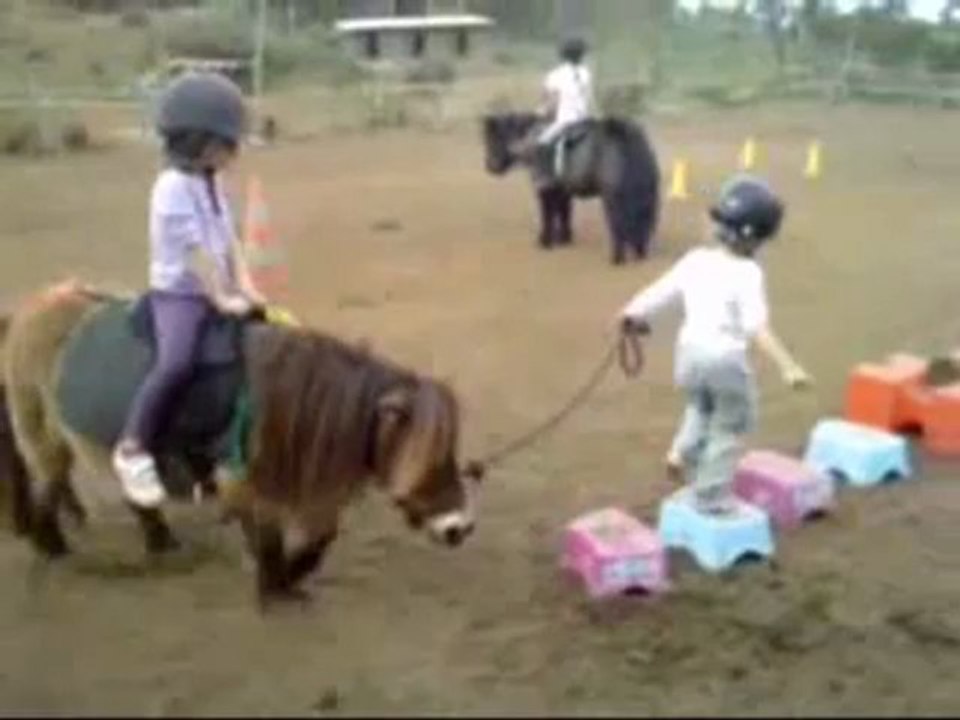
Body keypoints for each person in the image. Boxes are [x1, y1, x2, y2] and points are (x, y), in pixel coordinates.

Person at [112, 71, 267, 509]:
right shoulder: (172, 187)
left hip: (216, 286)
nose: (233, 152)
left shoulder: (210, 180)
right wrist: (221, 299)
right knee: (176, 362)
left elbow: (229, 238)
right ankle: (133, 449)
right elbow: (197, 252)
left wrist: (249, 287)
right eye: (225, 143)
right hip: (179, 295)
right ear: (194, 140)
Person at [618, 175, 813, 515]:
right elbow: (757, 328)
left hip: (688, 356)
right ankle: (710, 498)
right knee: (733, 421)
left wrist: (631, 313)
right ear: (760, 237)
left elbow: (659, 292)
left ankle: (681, 453)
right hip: (724, 361)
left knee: (701, 405)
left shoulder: (695, 259)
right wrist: (789, 367)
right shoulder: (748, 273)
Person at [535, 37, 597, 179]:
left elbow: (552, 103)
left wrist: (541, 111)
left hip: (566, 120)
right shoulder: (586, 73)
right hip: (586, 119)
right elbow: (588, 98)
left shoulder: (555, 75)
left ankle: (547, 175)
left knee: (542, 142)